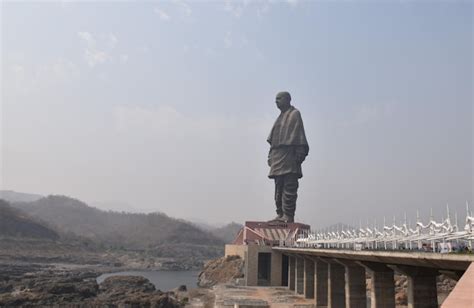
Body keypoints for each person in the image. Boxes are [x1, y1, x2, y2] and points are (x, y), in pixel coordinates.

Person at [267, 91, 309, 223]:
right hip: (277, 157)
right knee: (278, 188)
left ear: (287, 99)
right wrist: (270, 156)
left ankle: (288, 215)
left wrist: (299, 155)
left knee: (289, 187)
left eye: (279, 99)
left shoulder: (295, 114)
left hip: (289, 156)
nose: (276, 101)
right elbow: (273, 141)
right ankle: (280, 214)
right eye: (275, 99)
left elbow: (300, 136)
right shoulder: (279, 117)